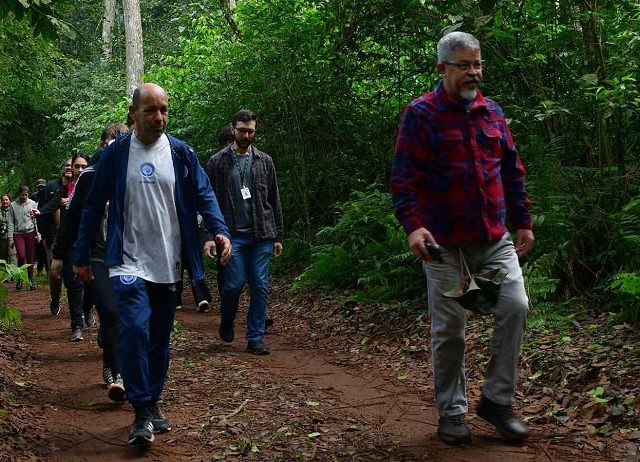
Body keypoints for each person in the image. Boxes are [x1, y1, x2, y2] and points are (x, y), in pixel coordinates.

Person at [390, 32, 534, 445]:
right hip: (444, 247)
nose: (474, 72)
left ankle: (497, 401)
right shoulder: (421, 114)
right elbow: (403, 180)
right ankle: (452, 413)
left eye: (478, 64)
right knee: (451, 329)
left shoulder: (492, 112)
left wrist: (522, 221)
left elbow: (511, 170)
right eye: (465, 65)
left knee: (515, 306)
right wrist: (414, 226)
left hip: (493, 240)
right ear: (442, 68)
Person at [72, 83, 231, 448]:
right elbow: (93, 206)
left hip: (168, 261)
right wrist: (80, 255)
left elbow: (204, 194)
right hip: (127, 261)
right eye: (151, 111)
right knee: (132, 329)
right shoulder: (115, 154)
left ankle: (153, 402)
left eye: (164, 110)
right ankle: (141, 410)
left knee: (159, 338)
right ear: (133, 114)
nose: (159, 118)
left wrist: (220, 230)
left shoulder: (180, 152)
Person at [51, 123, 129, 402]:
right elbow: (71, 219)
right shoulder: (89, 177)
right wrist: (59, 255)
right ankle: (117, 375)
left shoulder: (135, 174)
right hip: (96, 254)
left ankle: (112, 359)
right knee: (110, 310)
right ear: (102, 145)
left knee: (124, 314)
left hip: (127, 255)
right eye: (110, 143)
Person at [206, 110, 283, 356]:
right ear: (233, 129)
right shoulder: (217, 162)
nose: (246, 135)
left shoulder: (264, 161)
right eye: (242, 131)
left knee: (260, 285)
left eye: (251, 131)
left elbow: (274, 198)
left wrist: (278, 235)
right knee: (234, 284)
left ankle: (255, 337)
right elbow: (208, 201)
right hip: (232, 235)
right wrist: (209, 235)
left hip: (261, 234)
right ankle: (227, 319)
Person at [35, 153, 90, 340]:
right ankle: (77, 325)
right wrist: (40, 211)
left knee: (91, 285)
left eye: (83, 166)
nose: (79, 170)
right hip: (69, 241)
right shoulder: (63, 189)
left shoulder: (95, 186)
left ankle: (87, 309)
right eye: (76, 166)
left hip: (92, 242)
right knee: (73, 284)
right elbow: (52, 205)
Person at [7, 186, 40, 290]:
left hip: (30, 232)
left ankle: (30, 280)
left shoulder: (32, 203)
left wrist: (38, 233)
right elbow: (11, 222)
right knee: (21, 256)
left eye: (26, 194)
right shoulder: (13, 205)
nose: (24, 196)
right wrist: (10, 238)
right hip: (18, 233)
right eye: (22, 194)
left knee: (30, 257)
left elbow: (35, 219)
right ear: (19, 194)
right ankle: (20, 278)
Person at [31, 179, 49, 274]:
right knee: (38, 248)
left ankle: (48, 268)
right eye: (39, 187)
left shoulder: (48, 196)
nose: (41, 188)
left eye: (43, 186)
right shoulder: (33, 197)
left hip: (46, 224)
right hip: (36, 224)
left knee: (46, 246)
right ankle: (39, 267)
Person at [0, 194, 16, 265]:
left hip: (12, 237)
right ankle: (3, 271)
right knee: (2, 257)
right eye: (3, 200)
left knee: (13, 256)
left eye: (6, 200)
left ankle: (14, 271)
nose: (5, 201)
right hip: (2, 237)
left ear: (10, 200)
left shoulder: (13, 209)